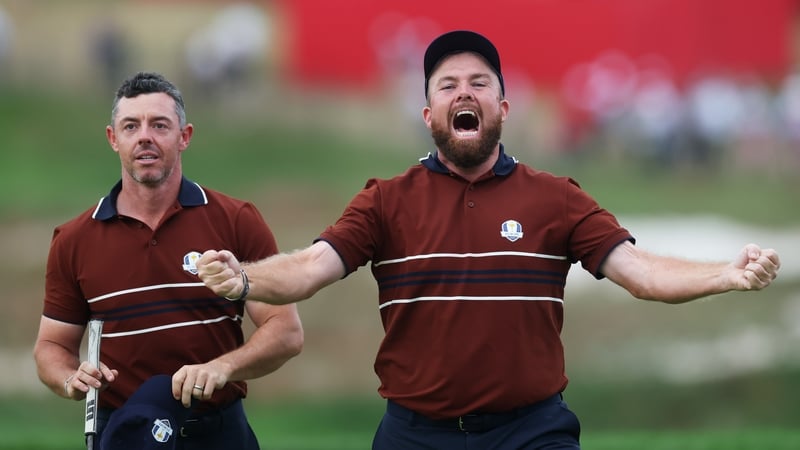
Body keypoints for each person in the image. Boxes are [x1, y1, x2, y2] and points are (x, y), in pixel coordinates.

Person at [195, 31, 781, 449]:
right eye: (448, 85)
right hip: (415, 433)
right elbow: (309, 269)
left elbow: (643, 273)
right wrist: (246, 279)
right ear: (429, 113)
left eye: (479, 82)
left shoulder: (556, 198)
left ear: (502, 106)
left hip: (531, 431)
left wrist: (725, 274)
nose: (464, 92)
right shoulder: (386, 200)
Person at [33, 71, 303, 449]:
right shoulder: (74, 240)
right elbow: (51, 347)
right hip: (126, 433)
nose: (145, 136)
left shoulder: (235, 220)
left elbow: (285, 331)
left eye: (159, 125)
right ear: (114, 139)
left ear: (184, 136)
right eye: (131, 126)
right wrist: (68, 378)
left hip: (217, 432)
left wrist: (222, 368)